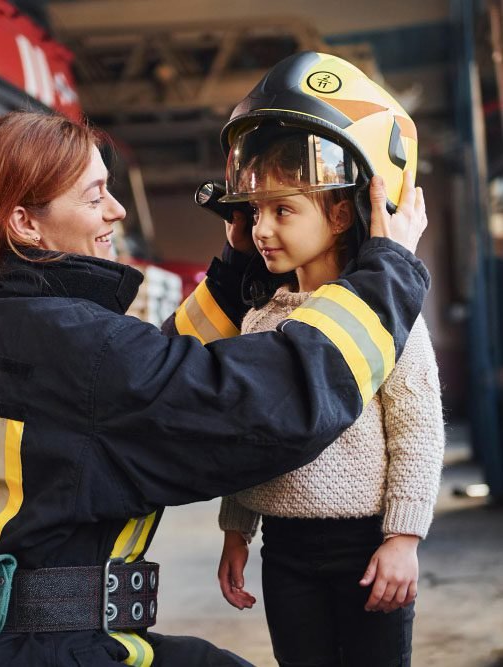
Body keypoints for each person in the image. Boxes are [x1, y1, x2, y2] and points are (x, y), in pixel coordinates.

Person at [0, 102, 428, 666]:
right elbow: (262, 404)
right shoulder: (70, 339)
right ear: (26, 223)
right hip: (39, 651)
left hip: (12, 645)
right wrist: (387, 273)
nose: (117, 211)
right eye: (95, 195)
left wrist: (235, 272)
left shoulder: (27, 319)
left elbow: (161, 374)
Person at [215, 52, 444, 667]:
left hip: (366, 545)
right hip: (284, 550)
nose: (262, 229)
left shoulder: (385, 316)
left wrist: (403, 539)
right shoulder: (262, 318)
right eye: (256, 211)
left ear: (341, 212)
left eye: (283, 210)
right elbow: (254, 435)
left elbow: (418, 431)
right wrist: (237, 529)